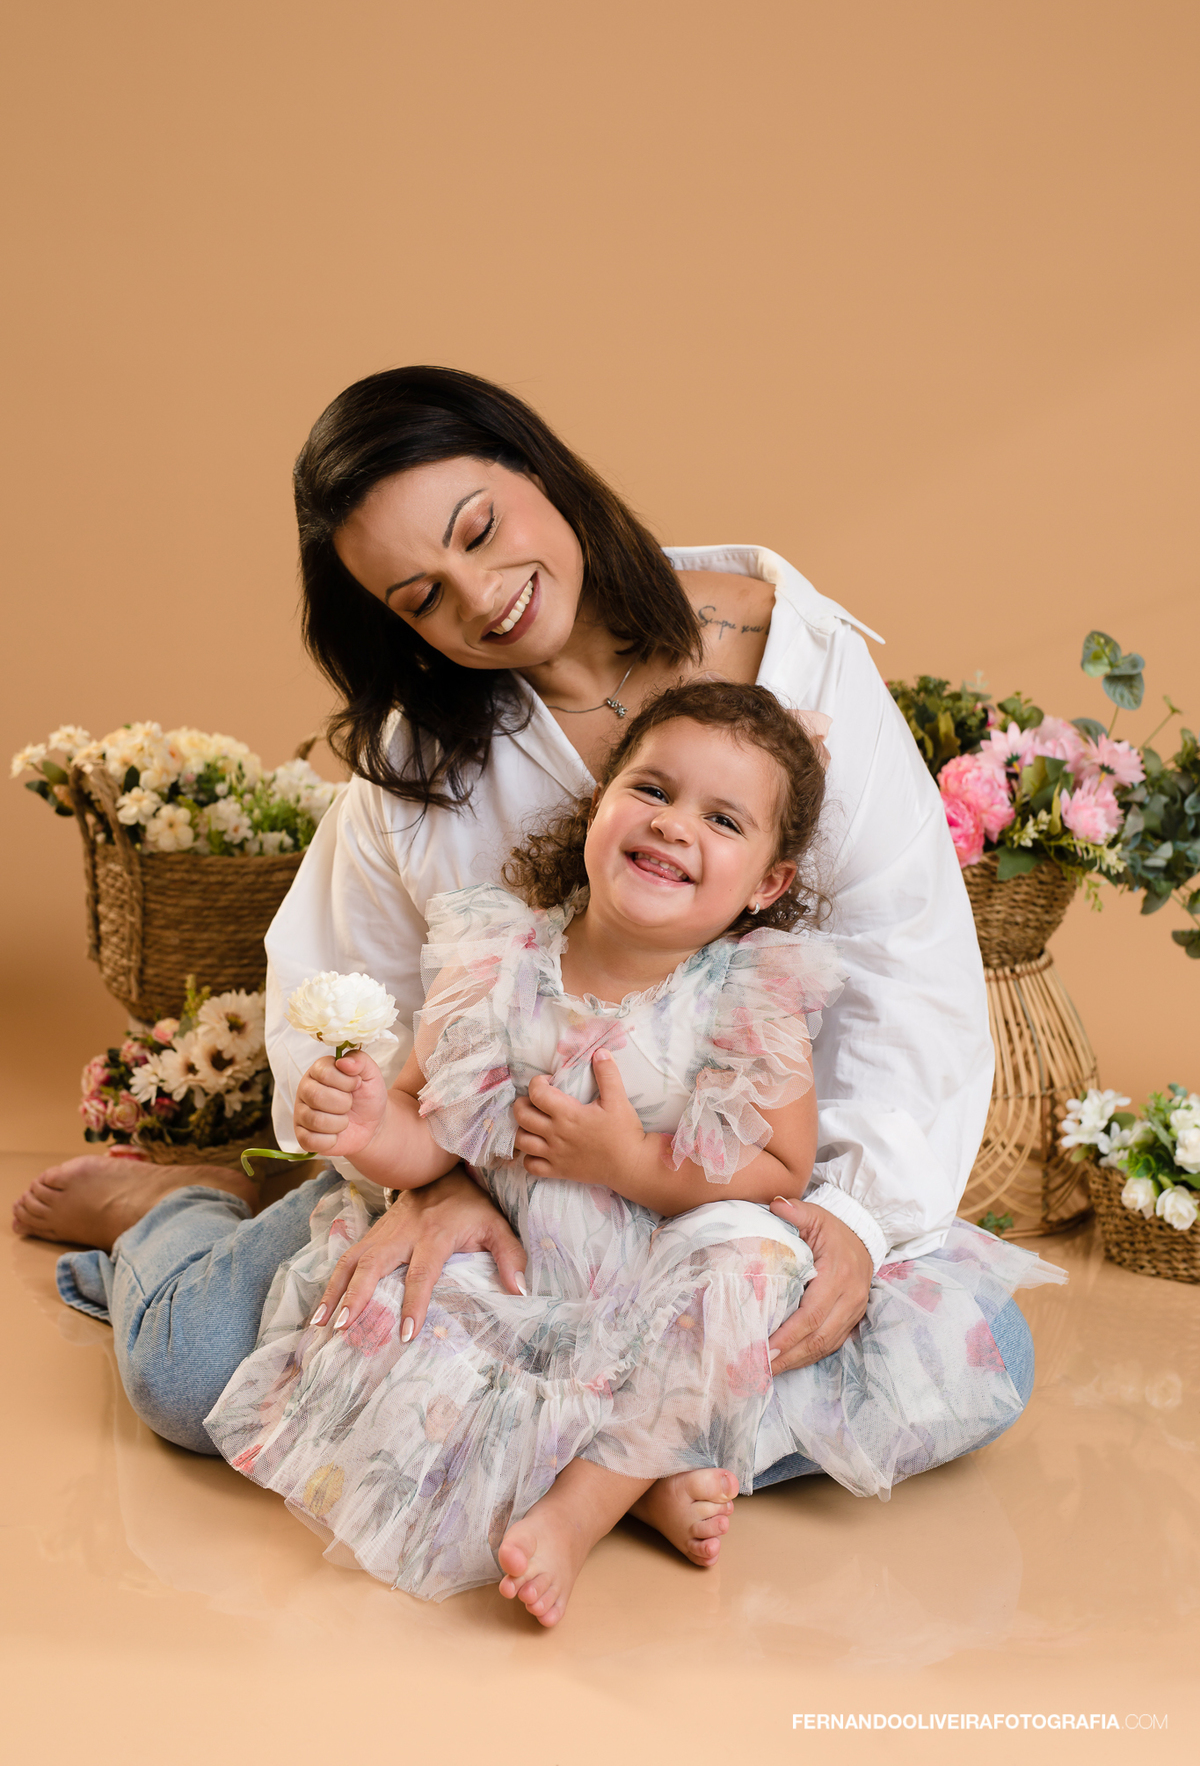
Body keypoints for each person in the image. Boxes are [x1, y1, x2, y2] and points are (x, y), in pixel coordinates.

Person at [16, 365, 1033, 1561]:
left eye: (481, 530)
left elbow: (901, 960)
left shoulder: (789, 658)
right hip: (503, 1225)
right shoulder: (423, 758)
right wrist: (430, 1185)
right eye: (422, 596)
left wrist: (853, 1220)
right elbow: (344, 992)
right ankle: (176, 1214)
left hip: (718, 1218)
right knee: (191, 1374)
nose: (483, 598)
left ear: (539, 467)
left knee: (980, 1364)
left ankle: (590, 1454)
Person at [204, 683, 1061, 1624]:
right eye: (651, 791)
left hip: (670, 1281)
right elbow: (424, 1129)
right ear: (600, 804)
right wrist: (371, 1130)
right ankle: (646, 1467)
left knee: (756, 1256)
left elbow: (781, 1168)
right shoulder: (492, 963)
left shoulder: (747, 995)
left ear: (766, 883)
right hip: (525, 1281)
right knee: (403, 1321)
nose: (674, 825)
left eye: (724, 818)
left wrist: (632, 1166)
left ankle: (577, 1507)